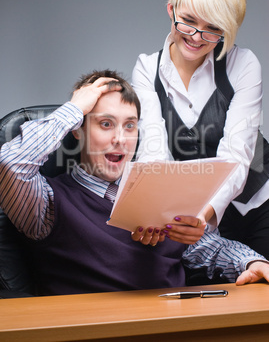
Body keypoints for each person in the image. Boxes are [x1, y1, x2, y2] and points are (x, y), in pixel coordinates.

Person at [0, 69, 269, 296]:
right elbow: (10, 163)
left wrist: (250, 261)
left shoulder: (158, 190)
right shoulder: (48, 201)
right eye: (106, 124)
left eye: (129, 125)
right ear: (78, 128)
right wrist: (74, 108)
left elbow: (205, 247)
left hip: (176, 326)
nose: (121, 138)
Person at [132, 0, 269, 259]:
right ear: (171, 9)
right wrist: (167, 215)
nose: (196, 37)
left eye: (212, 28)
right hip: (191, 215)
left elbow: (236, 155)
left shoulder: (242, 64)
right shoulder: (146, 70)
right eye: (189, 21)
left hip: (257, 205)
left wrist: (204, 217)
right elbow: (154, 153)